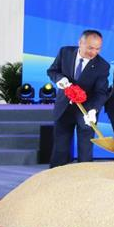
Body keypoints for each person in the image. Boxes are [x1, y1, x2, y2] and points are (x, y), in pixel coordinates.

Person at [46, 29, 110, 167]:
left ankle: (84, 177)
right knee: (60, 149)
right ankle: (56, 176)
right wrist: (59, 79)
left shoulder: (103, 66)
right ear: (80, 43)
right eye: (90, 48)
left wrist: (93, 110)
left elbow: (101, 92)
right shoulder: (65, 52)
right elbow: (52, 71)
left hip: (86, 111)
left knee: (85, 150)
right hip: (64, 108)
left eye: (98, 49)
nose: (94, 52)